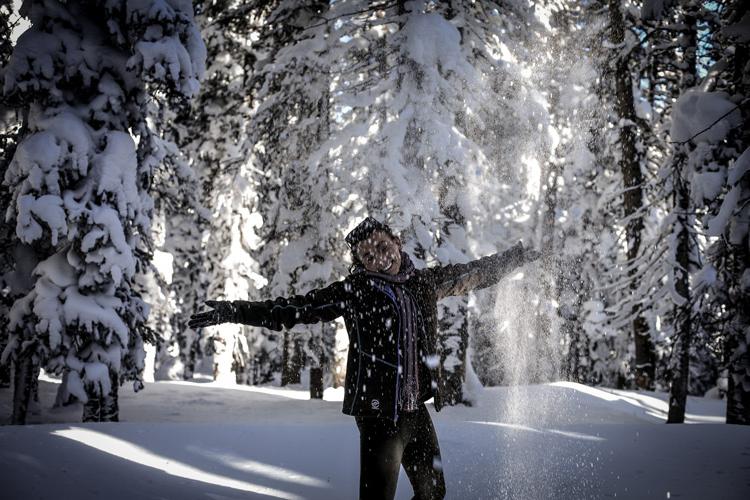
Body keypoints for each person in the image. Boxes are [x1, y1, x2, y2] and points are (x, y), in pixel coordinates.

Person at [189, 217, 540, 500]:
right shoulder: (354, 293)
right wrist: (233, 311)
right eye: (368, 256)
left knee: (434, 492)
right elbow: (292, 310)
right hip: (378, 418)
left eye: (383, 247)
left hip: (414, 412)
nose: (379, 257)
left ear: (397, 242)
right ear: (362, 263)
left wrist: (516, 257)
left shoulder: (423, 283)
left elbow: (472, 275)